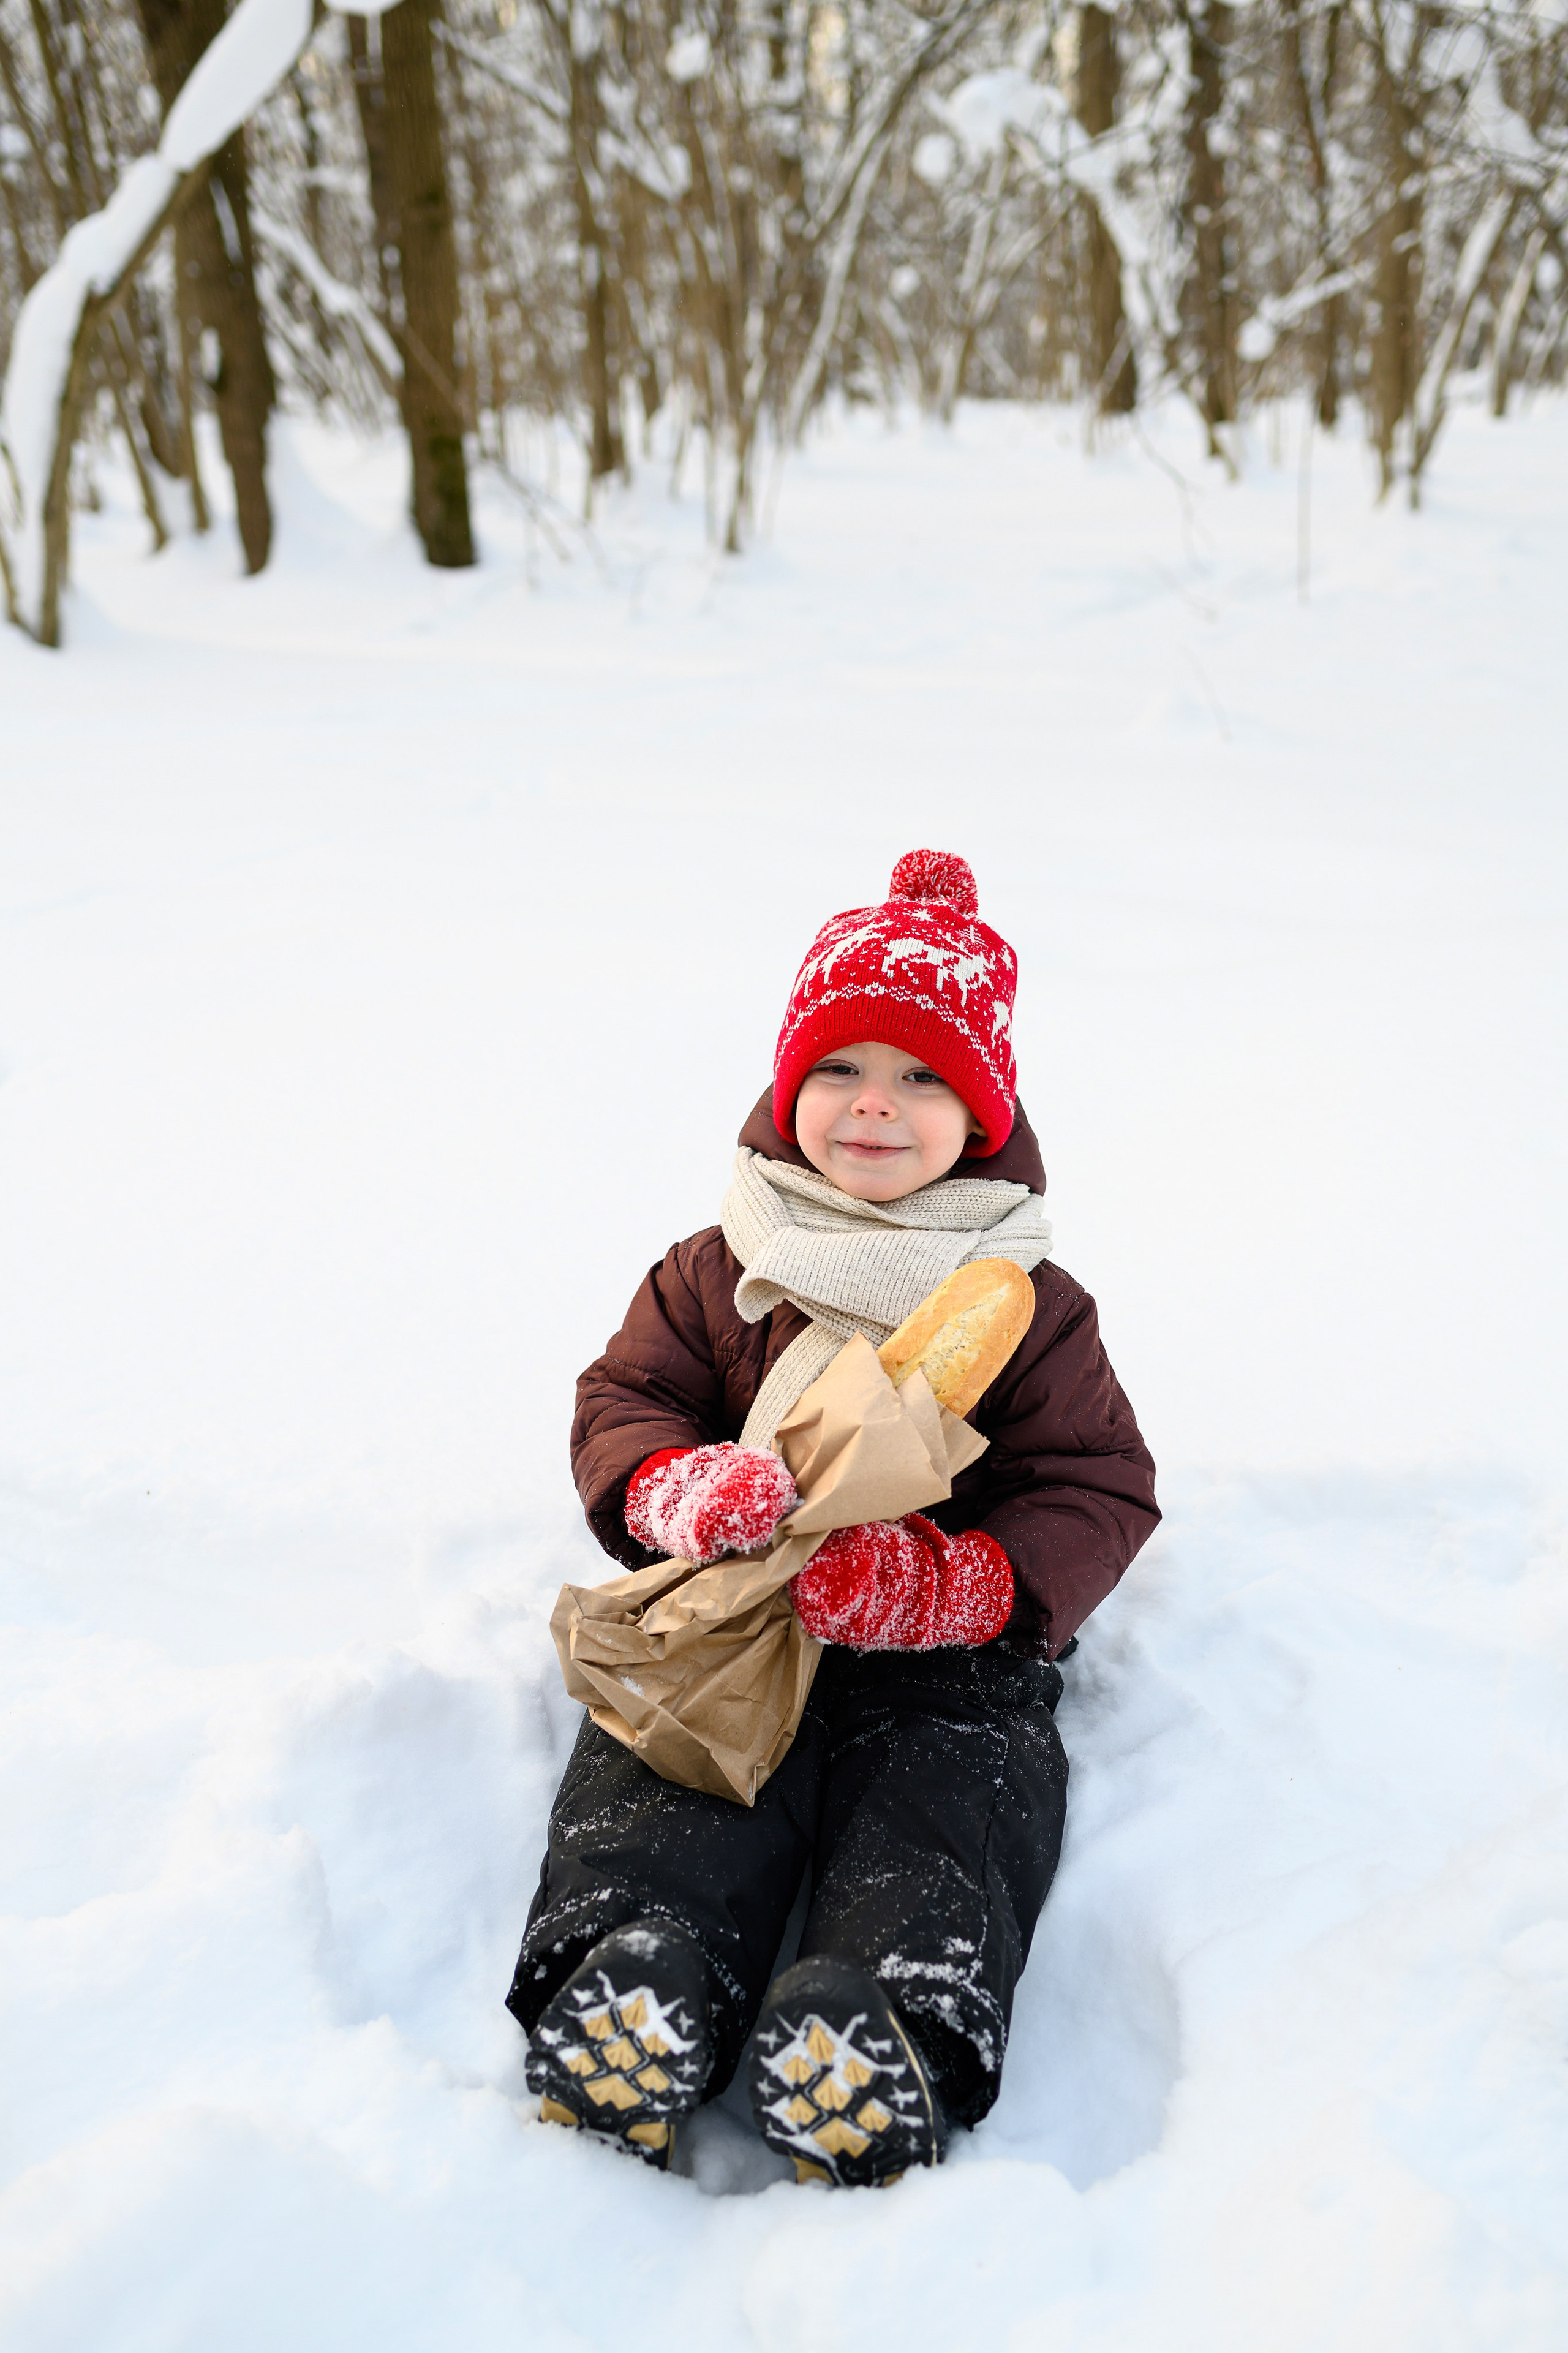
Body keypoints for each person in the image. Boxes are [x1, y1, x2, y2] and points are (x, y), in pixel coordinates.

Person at [506, 850, 1159, 2184]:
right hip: (742, 1612)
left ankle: (887, 2026)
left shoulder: (1023, 1299)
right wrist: (669, 1486)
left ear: (979, 1113)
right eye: (841, 1069)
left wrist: (966, 1586)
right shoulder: (720, 1262)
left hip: (941, 1650)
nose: (876, 1108)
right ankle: (638, 1983)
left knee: (945, 1797)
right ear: (785, 1084)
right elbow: (626, 1394)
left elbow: (1096, 1483)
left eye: (924, 1078)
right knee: (663, 1763)